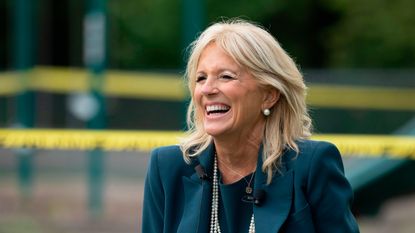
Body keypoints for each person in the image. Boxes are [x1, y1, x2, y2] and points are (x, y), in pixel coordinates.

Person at [141, 19, 359, 233]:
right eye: (200, 78)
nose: (207, 89)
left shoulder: (312, 166)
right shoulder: (167, 167)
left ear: (269, 95)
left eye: (225, 77)